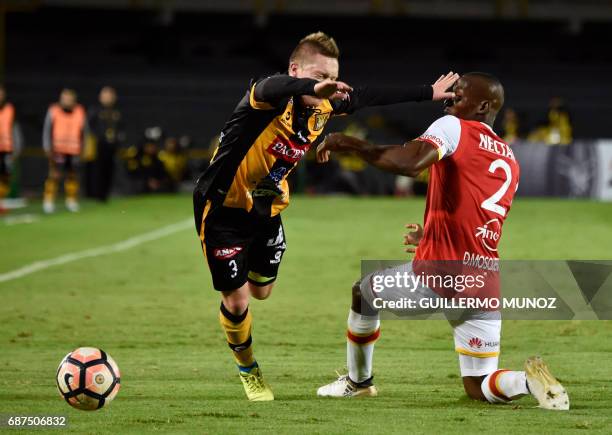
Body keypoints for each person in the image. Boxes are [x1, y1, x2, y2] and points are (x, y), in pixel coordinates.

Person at [192, 31, 458, 401]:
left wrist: (427, 92)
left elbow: (368, 96)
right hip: (222, 210)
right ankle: (249, 370)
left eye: (331, 77)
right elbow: (272, 86)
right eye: (319, 77)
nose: (327, 86)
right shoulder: (265, 97)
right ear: (295, 69)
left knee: (262, 291)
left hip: (267, 208)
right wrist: (311, 87)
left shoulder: (324, 104)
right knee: (238, 301)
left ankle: (250, 286)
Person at [316, 72, 569, 411]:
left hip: (440, 276)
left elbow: (409, 163)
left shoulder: (453, 127)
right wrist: (431, 235)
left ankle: (358, 383)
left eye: (458, 95)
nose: (449, 99)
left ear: (481, 105)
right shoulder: (510, 158)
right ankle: (529, 382)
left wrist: (350, 143)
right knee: (478, 386)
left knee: (362, 293)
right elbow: (480, 216)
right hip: (483, 282)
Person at [42, 88, 89, 213]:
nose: (67, 101)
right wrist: (47, 147)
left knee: (72, 176)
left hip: (74, 150)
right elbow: (47, 130)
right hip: (57, 150)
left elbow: (85, 132)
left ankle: (71, 200)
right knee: (54, 176)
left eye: (69, 99)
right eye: (65, 98)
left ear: (74, 100)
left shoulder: (80, 111)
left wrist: (84, 148)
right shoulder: (53, 110)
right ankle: (48, 201)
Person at [88, 86, 124, 201]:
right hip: (98, 145)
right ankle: (95, 194)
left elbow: (121, 128)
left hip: (112, 146)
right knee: (97, 170)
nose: (108, 98)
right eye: (105, 96)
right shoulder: (95, 111)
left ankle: (105, 194)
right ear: (100, 97)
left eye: (110, 96)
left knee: (110, 169)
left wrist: (118, 139)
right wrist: (98, 138)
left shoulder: (116, 112)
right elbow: (90, 127)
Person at [0, 85, 24, 207]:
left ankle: (2, 200)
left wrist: (17, 147)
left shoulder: (10, 109)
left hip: (6, 148)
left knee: (5, 175)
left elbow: (15, 129)